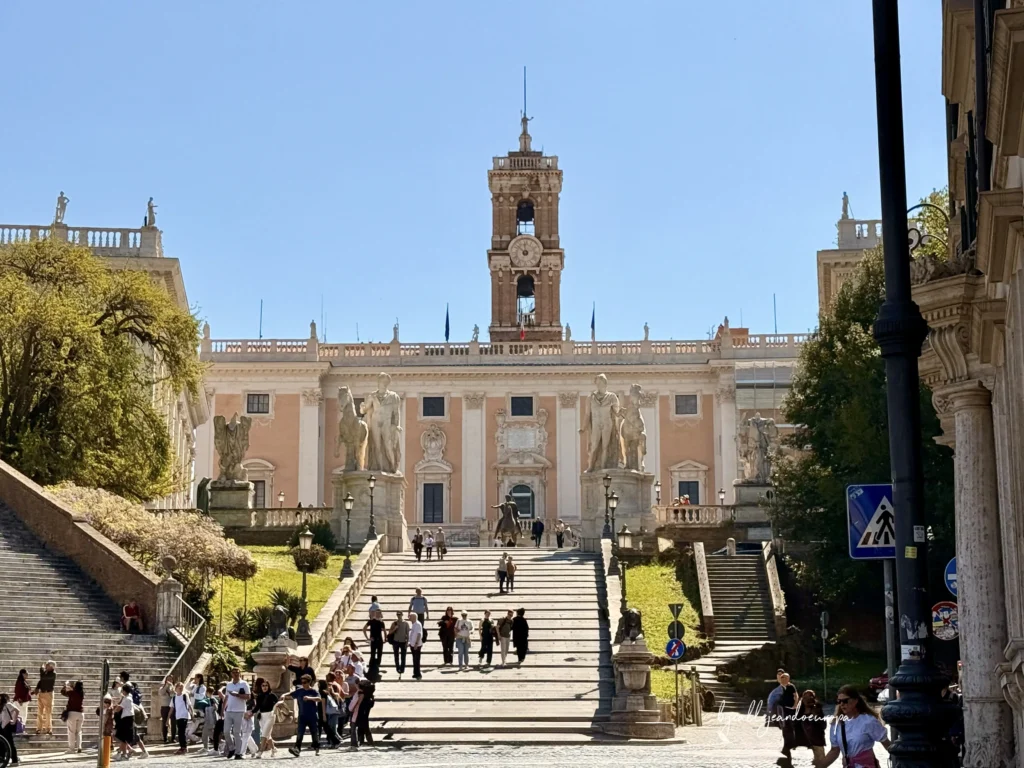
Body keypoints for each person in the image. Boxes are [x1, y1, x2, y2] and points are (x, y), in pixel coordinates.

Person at [814, 685, 891, 768]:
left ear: (855, 701)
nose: (842, 704)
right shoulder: (837, 724)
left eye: (845, 701)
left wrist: (900, 759)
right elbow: (834, 751)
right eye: (839, 701)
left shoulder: (868, 721)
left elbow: (886, 743)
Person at [283, 675, 321, 757]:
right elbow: (290, 694)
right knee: (300, 733)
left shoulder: (313, 691)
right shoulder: (300, 691)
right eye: (302, 682)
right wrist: (283, 695)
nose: (303, 684)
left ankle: (317, 748)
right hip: (302, 716)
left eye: (305, 682)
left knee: (314, 732)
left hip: (312, 715)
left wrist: (310, 698)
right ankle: (297, 749)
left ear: (309, 682)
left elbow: (319, 699)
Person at [223, 667, 251, 759]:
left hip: (239, 710)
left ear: (240, 674)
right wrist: (223, 710)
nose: (235, 674)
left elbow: (248, 696)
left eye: (237, 672)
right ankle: (231, 748)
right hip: (229, 710)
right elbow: (226, 697)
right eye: (234, 672)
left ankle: (238, 753)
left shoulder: (244, 684)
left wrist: (238, 695)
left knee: (236, 732)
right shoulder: (229, 684)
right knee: (226, 731)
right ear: (231, 674)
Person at [794, 689, 826, 763]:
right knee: (816, 759)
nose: (807, 699)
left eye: (810, 697)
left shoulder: (816, 709)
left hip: (817, 737)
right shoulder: (801, 709)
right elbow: (796, 722)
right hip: (807, 738)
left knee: (821, 758)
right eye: (805, 697)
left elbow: (823, 724)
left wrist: (815, 716)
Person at [776, 671, 799, 764]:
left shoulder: (791, 686)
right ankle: (787, 746)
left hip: (790, 709)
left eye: (785, 678)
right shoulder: (780, 687)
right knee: (784, 727)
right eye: (782, 678)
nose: (783, 679)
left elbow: (796, 696)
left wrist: (795, 705)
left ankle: (790, 745)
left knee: (789, 727)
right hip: (782, 709)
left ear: (788, 679)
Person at [253, 681, 278, 758]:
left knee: (264, 734)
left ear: (268, 686)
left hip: (270, 715)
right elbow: (257, 707)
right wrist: (251, 712)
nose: (264, 687)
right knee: (267, 735)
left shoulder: (272, 695)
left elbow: (277, 704)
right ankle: (273, 749)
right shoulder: (259, 696)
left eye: (266, 685)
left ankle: (260, 751)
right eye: (263, 685)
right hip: (262, 716)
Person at [347, 680, 375, 751]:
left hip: (357, 712)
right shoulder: (368, 695)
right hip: (363, 713)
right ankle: (368, 741)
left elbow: (357, 703)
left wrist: (352, 709)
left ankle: (354, 744)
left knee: (354, 728)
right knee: (364, 727)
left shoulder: (361, 694)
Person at [60, 680, 85, 753]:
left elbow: (63, 692)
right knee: (79, 731)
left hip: (72, 713)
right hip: (81, 713)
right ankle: (79, 746)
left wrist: (65, 685)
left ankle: (71, 748)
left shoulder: (72, 693)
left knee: (71, 731)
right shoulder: (82, 693)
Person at [113, 683, 137, 760]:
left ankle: (124, 754)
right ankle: (126, 751)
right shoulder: (127, 698)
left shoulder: (127, 699)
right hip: (126, 719)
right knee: (122, 738)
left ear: (125, 691)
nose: (122, 692)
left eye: (123, 690)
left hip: (126, 720)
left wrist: (114, 709)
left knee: (123, 738)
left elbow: (118, 708)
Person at [33, 660, 56, 735]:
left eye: (47, 665)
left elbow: (43, 678)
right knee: (40, 711)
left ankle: (48, 729)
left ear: (51, 666)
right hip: (41, 693)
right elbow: (41, 681)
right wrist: (37, 688)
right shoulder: (45, 673)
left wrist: (41, 668)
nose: (46, 666)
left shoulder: (53, 674)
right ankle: (39, 728)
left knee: (48, 712)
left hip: (48, 693)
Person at [171, 682, 193, 755]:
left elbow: (189, 705)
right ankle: (182, 746)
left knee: (182, 732)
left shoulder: (184, 696)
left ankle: (184, 747)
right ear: (176, 688)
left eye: (181, 687)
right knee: (180, 732)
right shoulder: (174, 698)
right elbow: (171, 708)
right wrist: (168, 718)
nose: (180, 688)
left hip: (184, 715)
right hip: (178, 716)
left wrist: (192, 714)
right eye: (179, 687)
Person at [388, 611, 410, 680]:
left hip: (403, 641)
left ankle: (402, 668)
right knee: (396, 655)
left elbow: (408, 633)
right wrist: (395, 628)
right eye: (397, 614)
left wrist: (407, 642)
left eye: (400, 614)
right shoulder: (394, 623)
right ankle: (397, 668)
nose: (399, 616)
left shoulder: (406, 623)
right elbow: (390, 632)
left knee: (403, 656)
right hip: (396, 641)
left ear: (402, 615)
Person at [1, 692, 22, 766]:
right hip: (1, 727)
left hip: (7, 726)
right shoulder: (1, 706)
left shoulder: (8, 705)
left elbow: (17, 710)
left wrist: (14, 720)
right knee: (2, 744)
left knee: (10, 743)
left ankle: (15, 760)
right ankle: (3, 759)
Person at [157, 675, 176, 744]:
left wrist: (172, 688)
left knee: (173, 722)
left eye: (171, 679)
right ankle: (165, 738)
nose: (169, 681)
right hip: (165, 707)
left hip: (172, 707)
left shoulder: (174, 687)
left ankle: (173, 738)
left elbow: (175, 695)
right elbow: (161, 693)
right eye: (168, 679)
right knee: (165, 722)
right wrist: (166, 686)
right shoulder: (162, 688)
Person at [408, 612, 424, 680]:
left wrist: (416, 643)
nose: (409, 618)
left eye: (410, 616)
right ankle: (415, 673)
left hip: (416, 645)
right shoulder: (414, 624)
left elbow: (419, 634)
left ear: (414, 617)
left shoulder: (417, 624)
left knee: (416, 659)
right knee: (414, 659)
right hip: (412, 644)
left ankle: (418, 674)